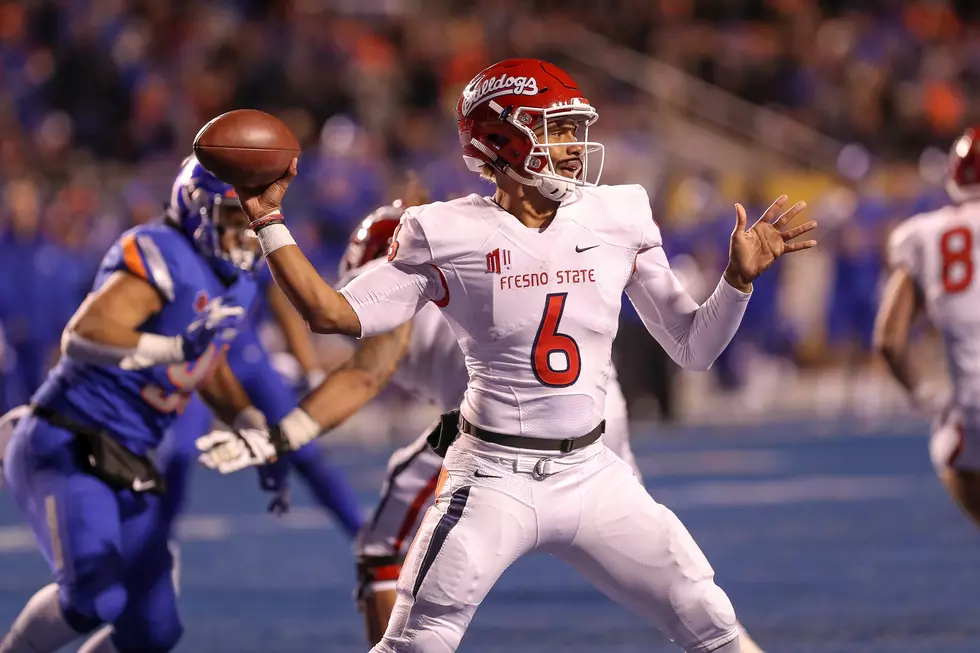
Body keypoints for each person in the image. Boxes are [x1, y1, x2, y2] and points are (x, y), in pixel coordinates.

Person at [199, 58, 816, 653]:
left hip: (594, 473)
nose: (575, 145)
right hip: (491, 477)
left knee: (711, 619)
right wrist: (269, 219)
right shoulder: (442, 230)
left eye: (576, 129)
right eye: (556, 128)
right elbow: (331, 313)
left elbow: (695, 347)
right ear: (502, 138)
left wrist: (736, 282)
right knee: (415, 644)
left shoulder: (619, 213)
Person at [0, 156, 267, 653]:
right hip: (70, 435)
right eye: (234, 218)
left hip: (130, 458)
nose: (247, 234)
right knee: (94, 599)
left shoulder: (239, 281)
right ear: (197, 211)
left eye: (253, 219)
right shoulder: (164, 252)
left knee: (152, 632)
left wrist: (253, 425)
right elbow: (84, 334)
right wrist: (169, 349)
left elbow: (206, 365)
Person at [874, 125, 980, 526]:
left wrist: (923, 394)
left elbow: (889, 340)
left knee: (950, 440)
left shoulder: (926, 234)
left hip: (974, 414)